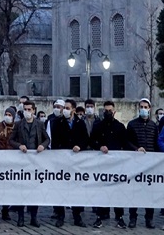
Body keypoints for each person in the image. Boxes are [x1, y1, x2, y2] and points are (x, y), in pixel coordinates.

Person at [9, 100, 49, 228]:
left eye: (29, 109)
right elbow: (11, 140)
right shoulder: (18, 124)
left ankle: (33, 217)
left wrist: (42, 146)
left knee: (34, 190)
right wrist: (19, 145)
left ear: (33, 110)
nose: (27, 112)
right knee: (22, 190)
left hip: (35, 161)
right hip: (22, 161)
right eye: (25, 109)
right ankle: (20, 217)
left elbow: (47, 139)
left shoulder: (40, 124)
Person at [90, 101, 129, 229]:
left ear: (114, 112)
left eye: (110, 111)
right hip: (102, 164)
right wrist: (99, 146)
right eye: (106, 111)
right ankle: (100, 217)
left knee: (118, 191)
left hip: (116, 165)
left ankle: (120, 217)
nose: (108, 113)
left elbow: (125, 144)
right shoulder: (98, 126)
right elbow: (92, 141)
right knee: (102, 191)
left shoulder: (120, 127)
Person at [50, 99, 88, 227]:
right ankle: (60, 215)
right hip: (62, 160)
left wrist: (80, 146)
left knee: (76, 189)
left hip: (76, 161)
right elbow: (54, 141)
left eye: (67, 108)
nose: (64, 110)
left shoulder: (80, 123)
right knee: (60, 188)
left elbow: (85, 139)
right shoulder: (57, 122)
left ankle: (77, 216)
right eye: (64, 107)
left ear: (73, 109)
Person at [126, 98, 158, 229]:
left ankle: (149, 218)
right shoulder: (132, 124)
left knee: (149, 193)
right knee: (134, 192)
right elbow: (127, 141)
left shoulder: (153, 125)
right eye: (141, 107)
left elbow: (156, 143)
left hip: (150, 165)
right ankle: (133, 218)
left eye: (146, 107)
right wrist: (136, 149)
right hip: (135, 162)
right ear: (138, 108)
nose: (144, 109)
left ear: (150, 109)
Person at [0, 107, 16, 221]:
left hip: (12, 160)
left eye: (10, 114)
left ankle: (5, 209)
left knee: (8, 187)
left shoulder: (16, 127)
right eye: (6, 114)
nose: (7, 116)